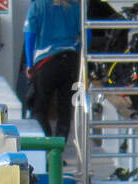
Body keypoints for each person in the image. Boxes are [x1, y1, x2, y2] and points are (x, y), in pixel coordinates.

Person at [24, 0, 82, 140]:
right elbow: (87, 35)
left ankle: (48, 149)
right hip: (70, 60)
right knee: (65, 109)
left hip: (46, 62)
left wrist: (29, 64)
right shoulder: (75, 5)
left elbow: (29, 36)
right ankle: (58, 151)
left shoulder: (37, 5)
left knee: (39, 108)